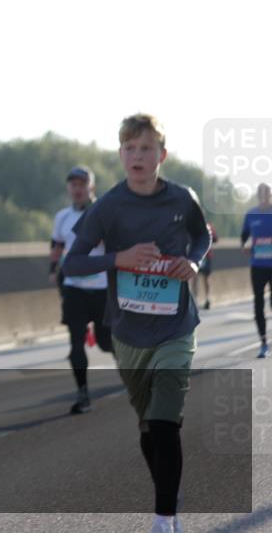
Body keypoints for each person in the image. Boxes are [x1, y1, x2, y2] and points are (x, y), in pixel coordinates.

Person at [63, 114, 211, 533]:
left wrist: (194, 261)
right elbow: (73, 262)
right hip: (127, 332)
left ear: (161, 155)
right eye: (130, 148)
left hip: (176, 326)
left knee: (166, 419)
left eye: (146, 148)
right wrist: (118, 259)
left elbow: (203, 236)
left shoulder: (183, 199)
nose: (137, 156)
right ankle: (168, 489)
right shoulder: (108, 205)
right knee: (148, 426)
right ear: (121, 154)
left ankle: (165, 517)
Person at [49, 165, 113, 414]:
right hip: (74, 287)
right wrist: (53, 270)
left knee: (107, 343)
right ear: (69, 188)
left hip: (101, 287)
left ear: (91, 187)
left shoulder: (103, 212)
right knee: (75, 342)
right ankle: (83, 393)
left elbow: (115, 245)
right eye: (73, 184)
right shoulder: (62, 217)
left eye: (82, 184)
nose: (77, 189)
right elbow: (57, 246)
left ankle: (133, 378)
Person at [241, 182, 272, 358]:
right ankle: (263, 343)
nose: (264, 196)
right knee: (258, 304)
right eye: (260, 193)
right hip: (258, 266)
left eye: (266, 193)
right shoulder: (251, 215)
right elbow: (244, 236)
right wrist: (244, 246)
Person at [192, 222, 218, 310]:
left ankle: (207, 298)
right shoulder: (192, 225)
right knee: (195, 277)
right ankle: (195, 299)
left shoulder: (209, 226)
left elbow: (215, 239)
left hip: (206, 256)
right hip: (195, 256)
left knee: (205, 278)